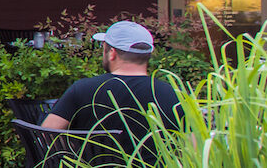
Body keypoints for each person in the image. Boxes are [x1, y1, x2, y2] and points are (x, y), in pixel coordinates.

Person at [42, 21, 181, 166]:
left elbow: (47, 133)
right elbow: (192, 145)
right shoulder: (172, 94)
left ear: (112, 53)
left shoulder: (82, 89)